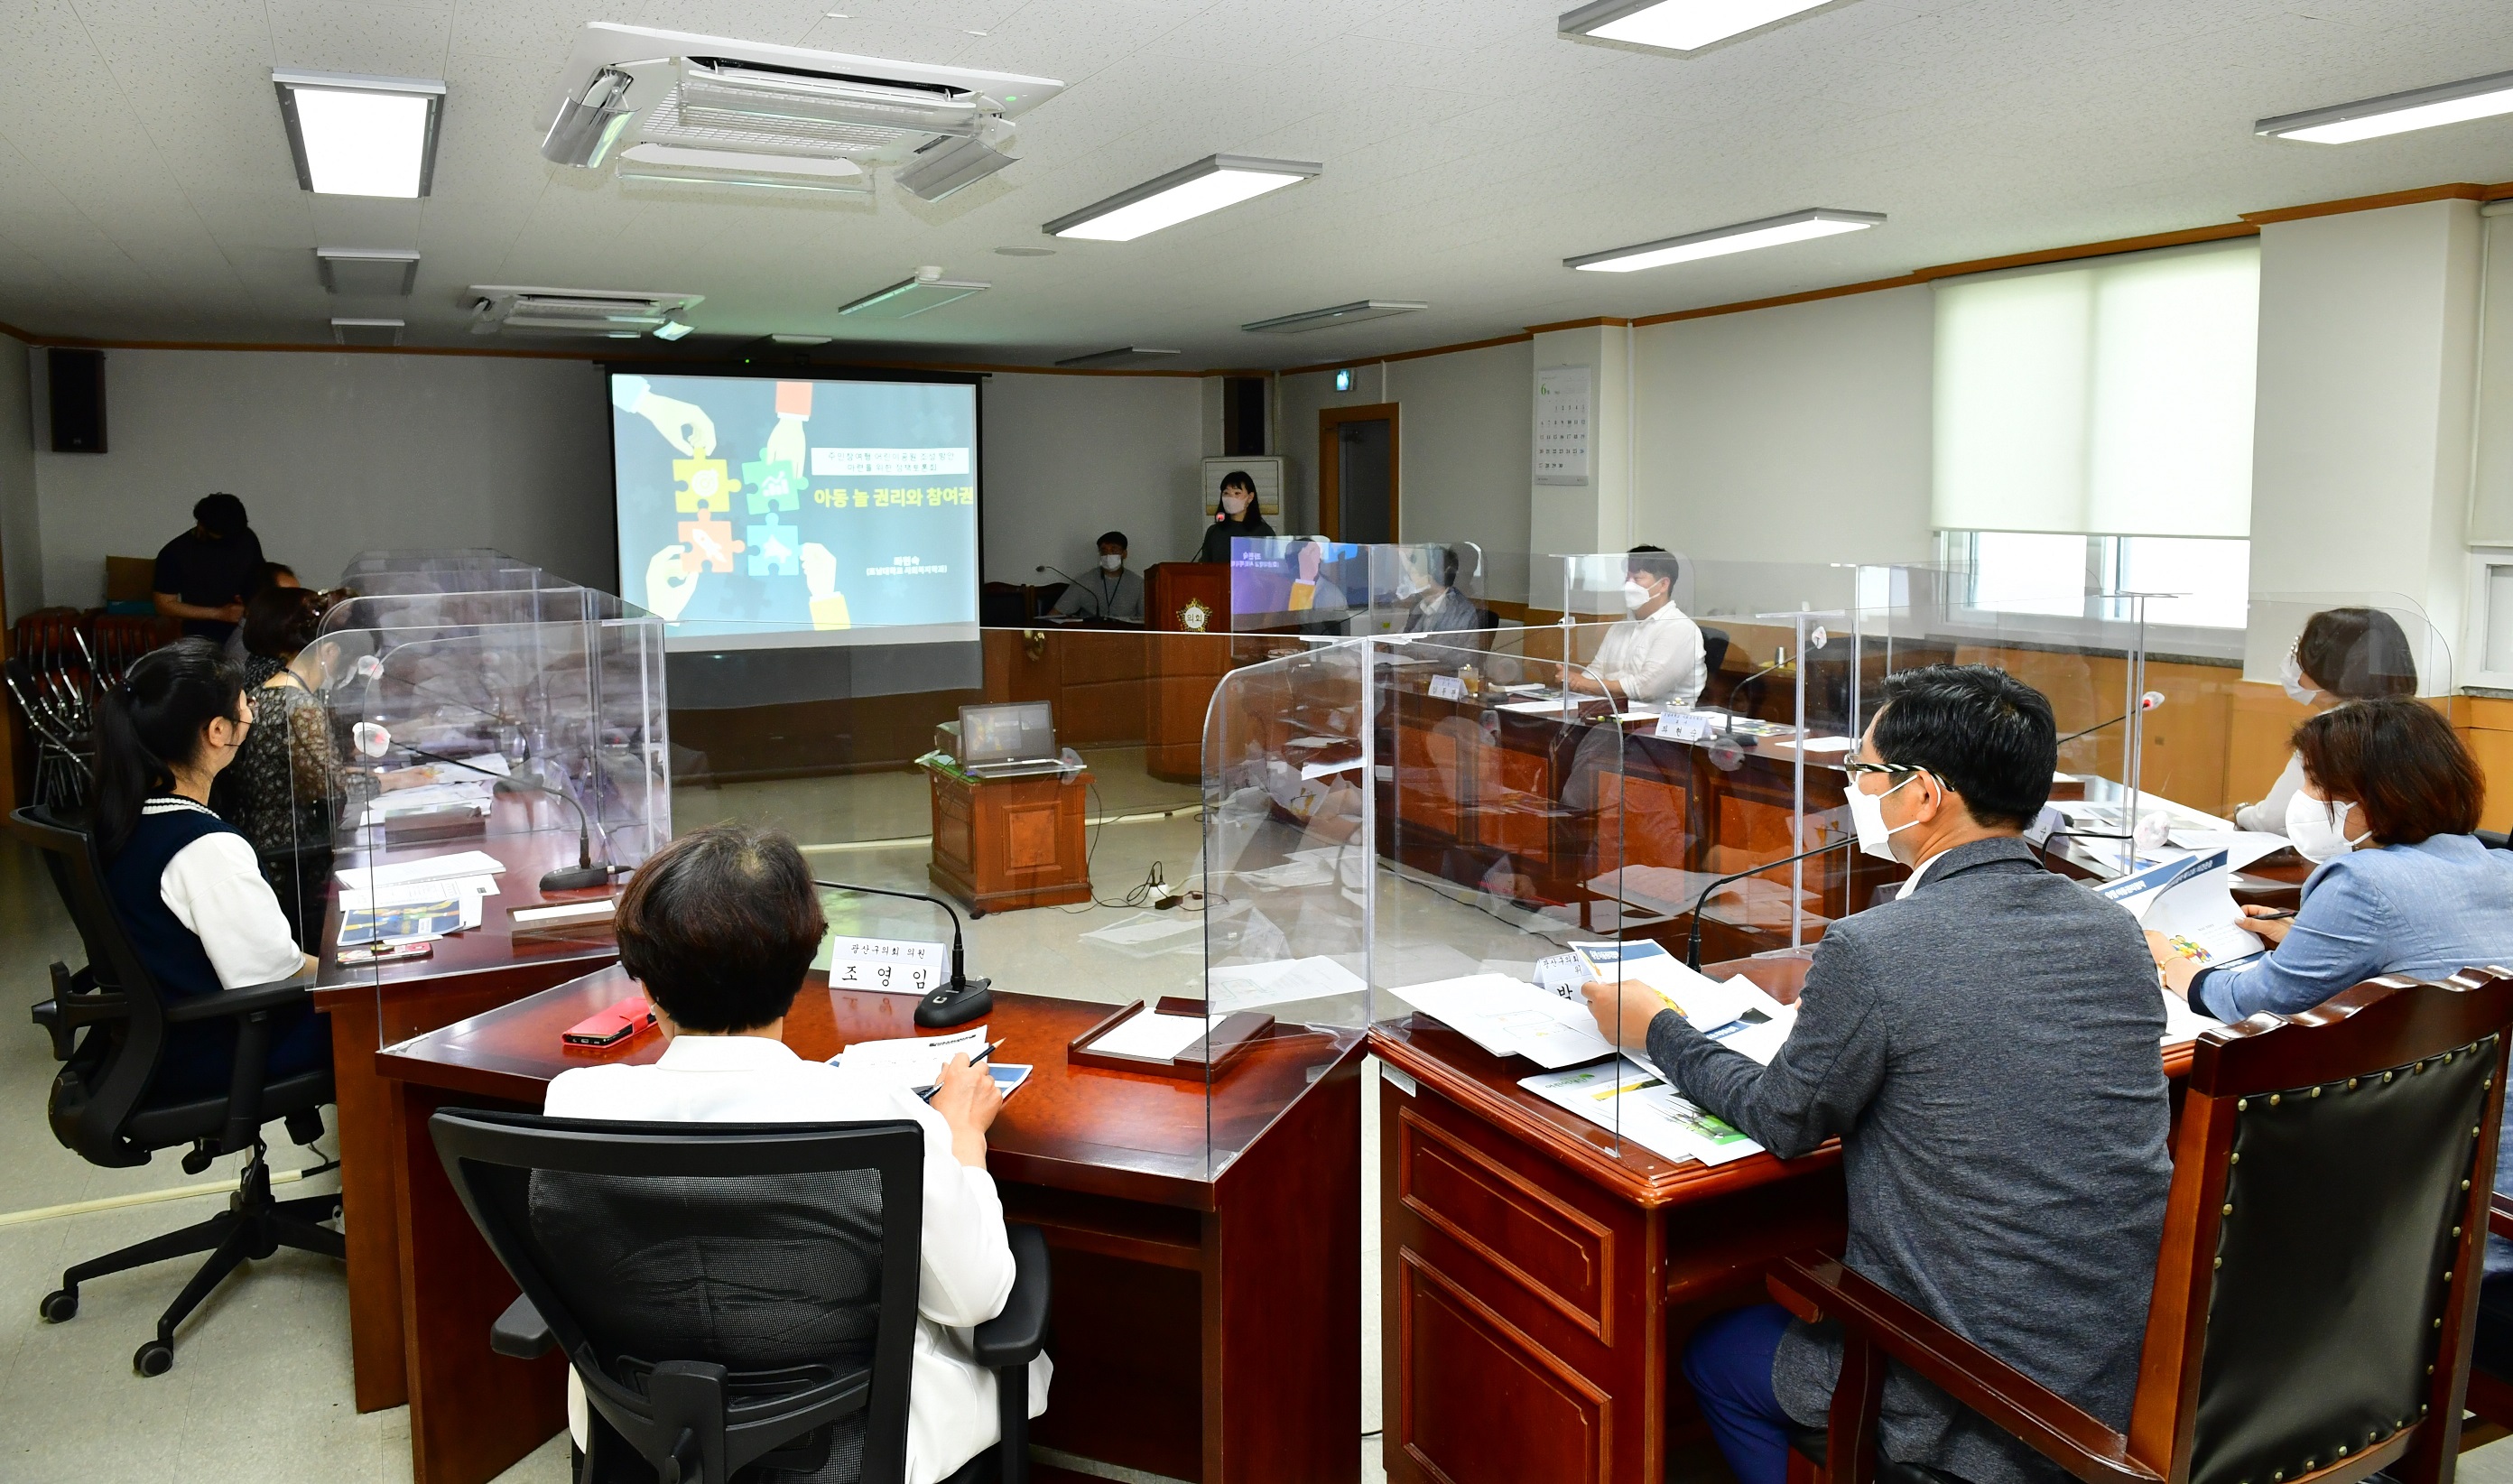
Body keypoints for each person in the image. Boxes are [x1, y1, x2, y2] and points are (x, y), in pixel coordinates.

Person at [1583, 664, 2170, 1484]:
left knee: (1718, 1350)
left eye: (1863, 772)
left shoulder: (1876, 948)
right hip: (2112, 1364)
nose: (1854, 789)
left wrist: (1657, 1031)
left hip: (1966, 1390)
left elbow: (1785, 1119)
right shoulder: (2112, 930)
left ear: (1923, 793)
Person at [542, 823, 1049, 1484]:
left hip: (654, 1438)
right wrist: (963, 1140)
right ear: (799, 968)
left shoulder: (580, 1105)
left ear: (648, 989)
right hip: (855, 1447)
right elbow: (977, 1298)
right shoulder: (878, 1118)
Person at [2155, 698, 2513, 1022]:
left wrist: (2173, 963)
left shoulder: (2362, 881)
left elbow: (2258, 1002)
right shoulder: (2500, 866)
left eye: (2313, 780)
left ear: (2375, 797)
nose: (2303, 795)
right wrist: (2309, 937)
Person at [95, 639, 327, 1101]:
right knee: (393, 1016)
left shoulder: (132, 818)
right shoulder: (206, 849)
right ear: (218, 731)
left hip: (170, 1044)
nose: (253, 709)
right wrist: (361, 973)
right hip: (220, 1050)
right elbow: (275, 974)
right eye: (247, 701)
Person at [219, 585, 339, 950]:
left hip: (262, 838)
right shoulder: (299, 704)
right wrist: (393, 781)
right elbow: (330, 790)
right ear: (325, 652)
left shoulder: (263, 691)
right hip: (293, 856)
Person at [2231, 607, 2417, 835]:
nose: (2294, 662)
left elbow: (2275, 820)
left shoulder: (2330, 732)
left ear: (2330, 668)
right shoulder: (2418, 721)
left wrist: (2241, 813)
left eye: (2299, 653)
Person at [1568, 545, 1708, 707]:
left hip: (1661, 723)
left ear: (1663, 585)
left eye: (1637, 578)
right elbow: (1595, 672)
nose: (1628, 585)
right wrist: (1574, 682)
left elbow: (1646, 688)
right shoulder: (1620, 627)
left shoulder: (1679, 628)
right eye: (1627, 578)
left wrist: (1587, 684)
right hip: (1614, 716)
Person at [153, 494, 267, 642]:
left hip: (248, 623)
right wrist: (220, 613)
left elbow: (262, 575)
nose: (230, 541)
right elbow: (164, 604)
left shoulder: (246, 537)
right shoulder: (175, 553)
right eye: (222, 537)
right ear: (201, 525)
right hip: (204, 630)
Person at [1047, 531, 1145, 622]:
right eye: (1104, 551)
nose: (1108, 555)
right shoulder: (1084, 581)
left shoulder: (1138, 583)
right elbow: (1054, 614)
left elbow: (1145, 619)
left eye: (1113, 550)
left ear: (1124, 554)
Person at [223, 562, 304, 668]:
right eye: (289, 599)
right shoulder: (245, 650)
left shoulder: (273, 635)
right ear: (263, 602)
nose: (300, 604)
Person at [1194, 469, 1275, 563]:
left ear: (1250, 497)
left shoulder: (1263, 532)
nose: (1231, 498)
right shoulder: (1214, 531)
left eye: (1237, 493)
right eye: (1226, 493)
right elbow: (1206, 566)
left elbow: (1271, 569)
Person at [1401, 544, 1480, 635]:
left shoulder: (1460, 611)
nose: (1411, 579)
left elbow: (1442, 648)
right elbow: (1407, 641)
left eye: (1414, 573)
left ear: (1435, 573)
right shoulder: (1420, 606)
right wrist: (1390, 647)